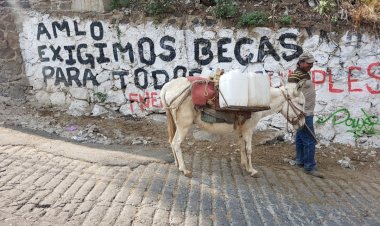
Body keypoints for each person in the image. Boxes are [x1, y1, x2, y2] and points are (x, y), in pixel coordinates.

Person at [288, 52, 324, 178]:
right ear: (301, 62)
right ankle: (309, 166)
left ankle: (300, 160)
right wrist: (298, 112)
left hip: (306, 111)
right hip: (303, 112)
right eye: (309, 63)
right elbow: (291, 94)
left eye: (312, 63)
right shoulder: (296, 76)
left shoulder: (303, 73)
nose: (311, 65)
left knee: (300, 136)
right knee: (309, 139)